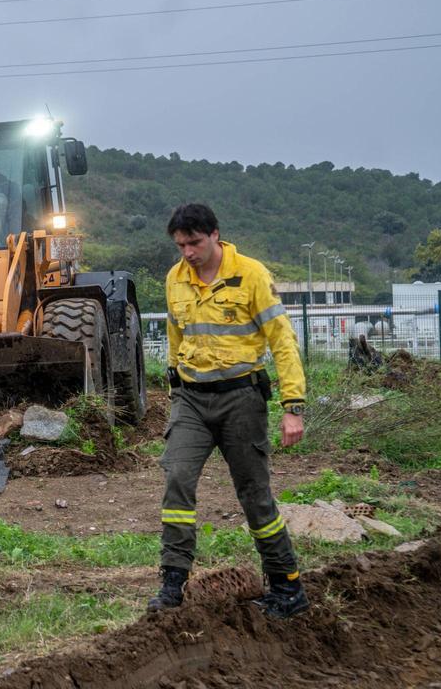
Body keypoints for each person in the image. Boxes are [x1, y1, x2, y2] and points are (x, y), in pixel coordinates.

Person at [150, 203, 309, 619]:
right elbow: (175, 332)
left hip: (242, 399)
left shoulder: (252, 275)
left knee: (254, 496)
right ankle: (172, 583)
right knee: (177, 480)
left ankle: (286, 586)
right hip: (191, 399)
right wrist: (174, 381)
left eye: (194, 243)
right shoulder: (175, 278)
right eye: (180, 244)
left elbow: (282, 341)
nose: (187, 252)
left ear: (215, 235)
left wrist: (294, 406)